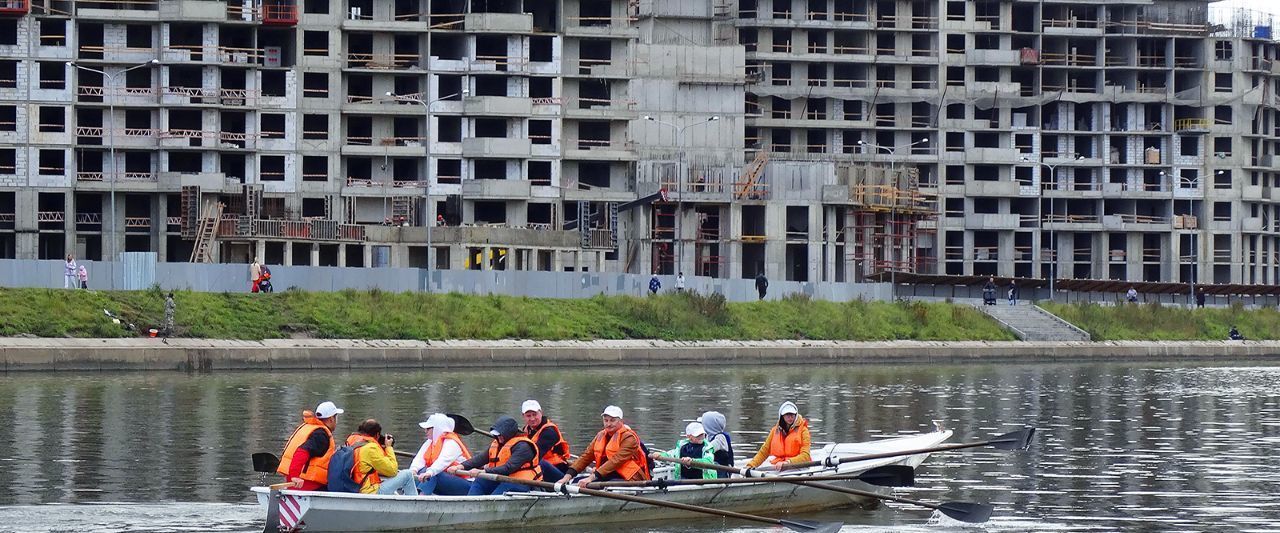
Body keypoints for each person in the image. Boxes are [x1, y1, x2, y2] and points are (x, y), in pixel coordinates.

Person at [559, 405, 650, 487]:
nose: (608, 424)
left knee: (605, 485)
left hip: (629, 478)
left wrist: (591, 478)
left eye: (612, 420)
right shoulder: (600, 435)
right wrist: (568, 476)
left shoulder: (629, 438)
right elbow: (586, 457)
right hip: (605, 475)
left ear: (621, 421)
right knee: (576, 481)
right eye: (606, 420)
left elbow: (616, 460)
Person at [449, 416, 542, 495]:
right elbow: (480, 459)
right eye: (496, 435)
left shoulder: (524, 446)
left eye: (501, 435)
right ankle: (470, 504)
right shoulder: (498, 442)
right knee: (480, 481)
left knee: (501, 490)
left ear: (509, 433)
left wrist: (484, 471)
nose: (499, 437)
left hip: (520, 482)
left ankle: (488, 507)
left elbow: (508, 468)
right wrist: (461, 466)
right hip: (500, 479)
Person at [277, 400, 344, 490]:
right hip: (306, 484)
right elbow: (302, 452)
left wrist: (293, 477)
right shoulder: (321, 435)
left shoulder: (308, 427)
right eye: (336, 418)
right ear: (331, 419)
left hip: (295, 483)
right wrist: (295, 476)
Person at [345, 419, 418, 495]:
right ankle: (416, 505)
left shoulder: (352, 441)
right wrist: (389, 447)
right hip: (369, 492)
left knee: (393, 490)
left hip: (355, 487)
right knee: (408, 475)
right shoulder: (371, 448)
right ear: (377, 435)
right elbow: (392, 471)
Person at [411, 413, 474, 495]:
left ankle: (420, 498)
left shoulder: (452, 443)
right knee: (421, 471)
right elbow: (419, 459)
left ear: (438, 428)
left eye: (428, 428)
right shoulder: (430, 442)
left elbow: (442, 462)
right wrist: (413, 470)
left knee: (433, 474)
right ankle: (412, 495)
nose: (425, 431)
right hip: (447, 480)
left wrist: (430, 472)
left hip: (466, 485)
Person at [745, 401, 811, 470]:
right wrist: (751, 465)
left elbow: (805, 455)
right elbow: (764, 452)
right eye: (787, 415)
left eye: (792, 414)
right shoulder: (775, 430)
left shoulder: (803, 431)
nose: (790, 417)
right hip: (779, 466)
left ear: (796, 415)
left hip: (799, 467)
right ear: (782, 416)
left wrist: (788, 462)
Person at [520, 400, 572, 482]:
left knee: (539, 463)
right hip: (538, 470)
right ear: (523, 416)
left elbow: (536, 455)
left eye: (535, 414)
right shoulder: (526, 430)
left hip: (557, 472)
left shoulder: (549, 431)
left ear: (541, 413)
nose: (532, 418)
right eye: (528, 416)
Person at [651, 422, 716, 480]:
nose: (701, 437)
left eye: (702, 434)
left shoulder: (707, 448)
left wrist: (692, 461)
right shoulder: (682, 446)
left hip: (703, 480)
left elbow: (708, 461)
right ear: (689, 436)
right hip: (683, 479)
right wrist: (660, 455)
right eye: (698, 435)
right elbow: (671, 454)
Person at [699, 410, 734, 477]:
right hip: (712, 471)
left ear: (709, 426)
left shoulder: (720, 438)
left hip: (722, 473)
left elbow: (708, 449)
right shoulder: (708, 437)